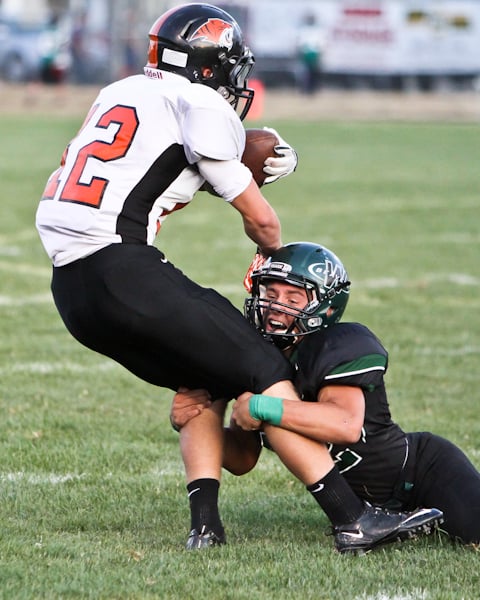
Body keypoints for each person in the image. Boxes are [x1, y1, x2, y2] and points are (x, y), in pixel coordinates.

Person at [172, 241, 480, 550]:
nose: (277, 306)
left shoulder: (336, 343)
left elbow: (344, 424)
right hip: (363, 497)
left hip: (420, 470)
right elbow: (243, 459)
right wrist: (196, 426)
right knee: (201, 408)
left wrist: (261, 405)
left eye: (293, 297)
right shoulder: (253, 357)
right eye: (270, 294)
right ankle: (205, 528)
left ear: (326, 308)